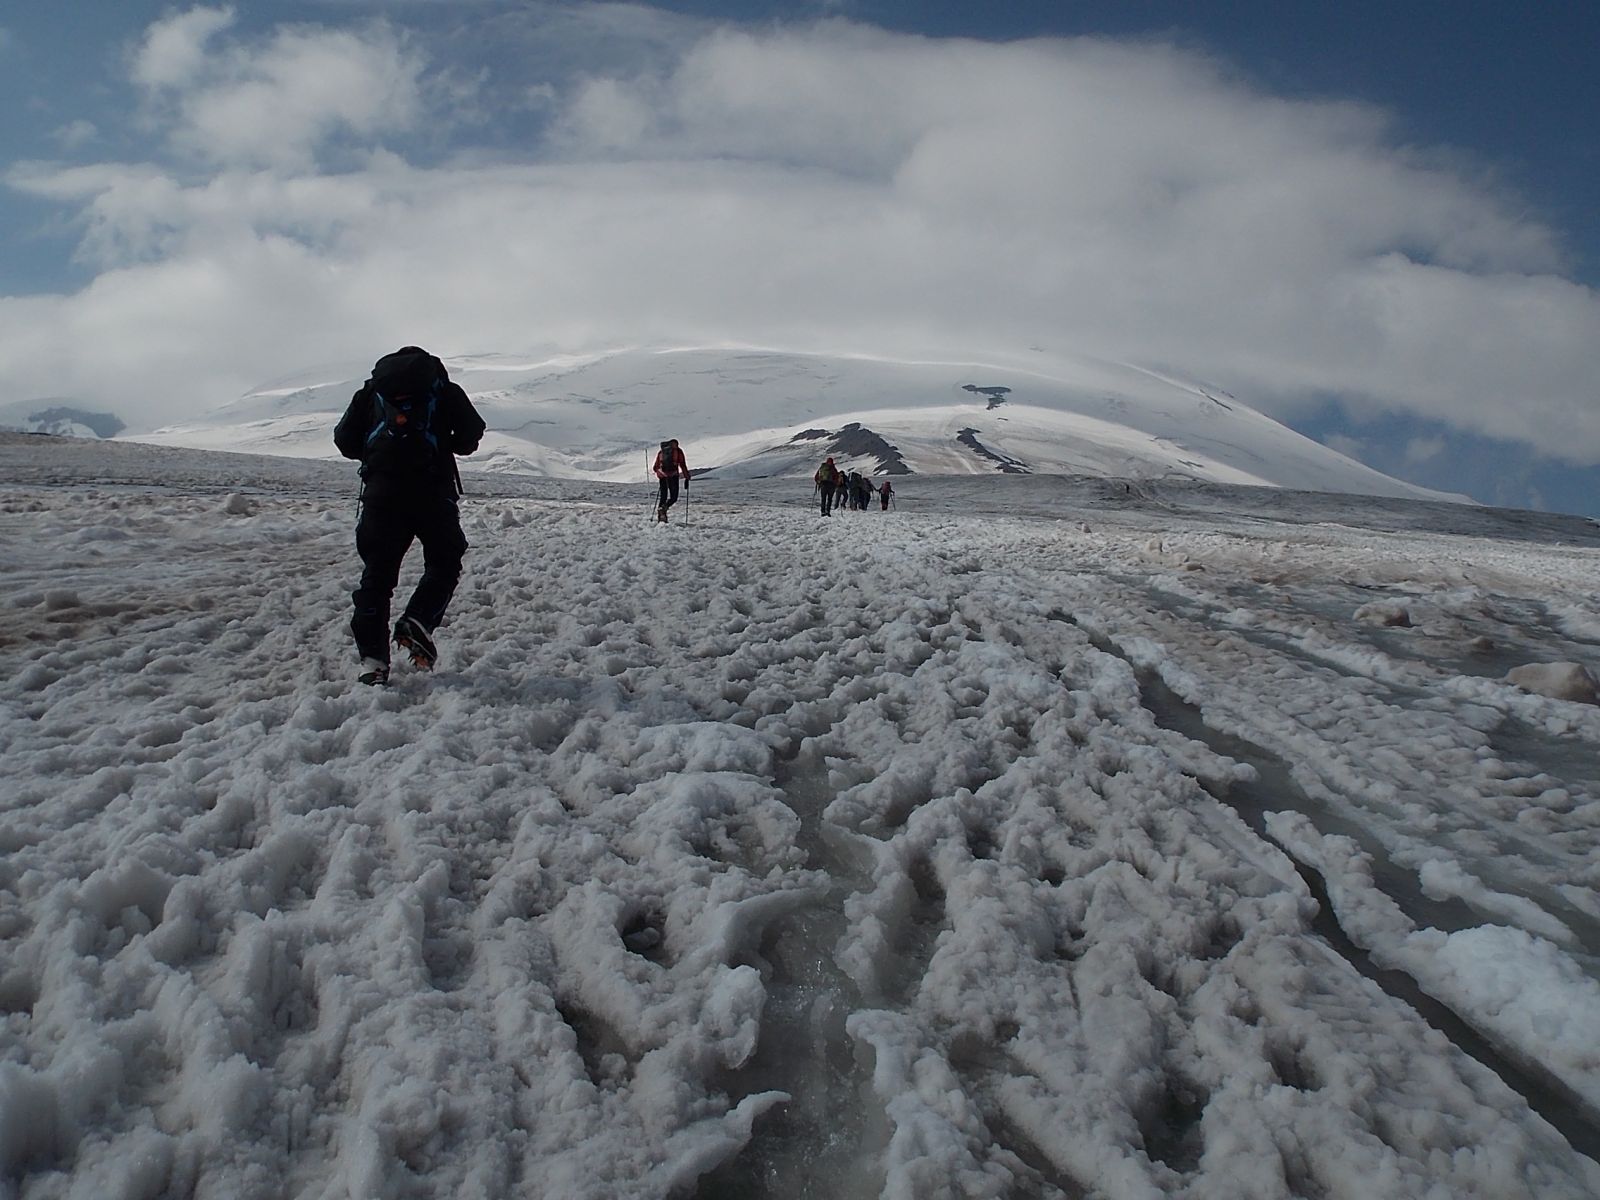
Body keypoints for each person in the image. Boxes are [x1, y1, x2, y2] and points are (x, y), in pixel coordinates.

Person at [334, 346, 486, 685]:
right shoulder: (443, 389)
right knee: (445, 560)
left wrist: (379, 460)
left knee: (377, 576)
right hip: (432, 492)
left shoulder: (372, 391)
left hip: (382, 495)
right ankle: (418, 618)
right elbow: (469, 437)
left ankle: (373, 661)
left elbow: (344, 441)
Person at [653, 438, 689, 522]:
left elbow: (655, 467)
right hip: (673, 476)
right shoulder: (678, 451)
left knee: (663, 496)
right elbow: (682, 464)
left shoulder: (661, 452)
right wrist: (687, 476)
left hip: (662, 476)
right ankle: (664, 508)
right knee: (673, 497)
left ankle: (661, 516)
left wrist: (660, 473)